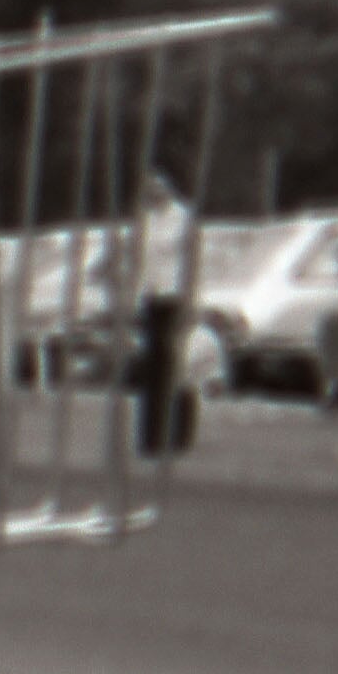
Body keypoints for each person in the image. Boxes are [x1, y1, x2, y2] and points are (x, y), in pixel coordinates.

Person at [123, 163, 203, 459]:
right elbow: (137, 261)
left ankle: (178, 433)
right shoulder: (144, 221)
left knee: (174, 365)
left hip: (174, 296)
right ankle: (151, 436)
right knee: (152, 366)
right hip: (151, 296)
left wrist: (189, 301)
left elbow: (192, 262)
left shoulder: (183, 218)